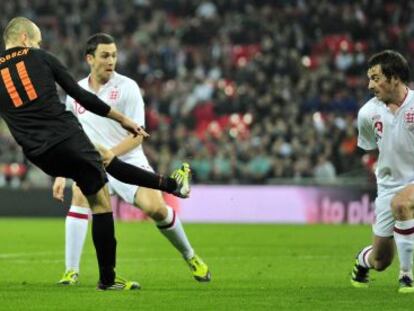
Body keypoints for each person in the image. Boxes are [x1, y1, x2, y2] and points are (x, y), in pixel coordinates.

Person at [0, 17, 189, 291]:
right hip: (64, 135)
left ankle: (172, 185)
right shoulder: (40, 57)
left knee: (101, 158)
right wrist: (121, 119)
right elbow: (80, 95)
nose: (39, 45)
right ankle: (108, 279)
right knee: (102, 194)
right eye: (37, 41)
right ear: (26, 40)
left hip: (37, 154)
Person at [52, 33, 210, 286]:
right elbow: (70, 135)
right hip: (95, 164)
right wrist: (62, 173)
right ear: (89, 58)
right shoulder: (76, 92)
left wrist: (109, 156)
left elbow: (139, 136)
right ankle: (71, 271)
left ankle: (191, 256)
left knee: (156, 209)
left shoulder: (127, 87)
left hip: (129, 161)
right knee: (80, 198)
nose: (111, 60)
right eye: (105, 55)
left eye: (114, 55)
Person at [351, 50, 414, 293]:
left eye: (376, 78)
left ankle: (407, 277)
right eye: (369, 78)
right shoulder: (367, 114)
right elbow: (370, 147)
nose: (370, 85)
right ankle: (362, 260)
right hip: (388, 185)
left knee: (403, 204)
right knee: (380, 261)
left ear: (395, 77)